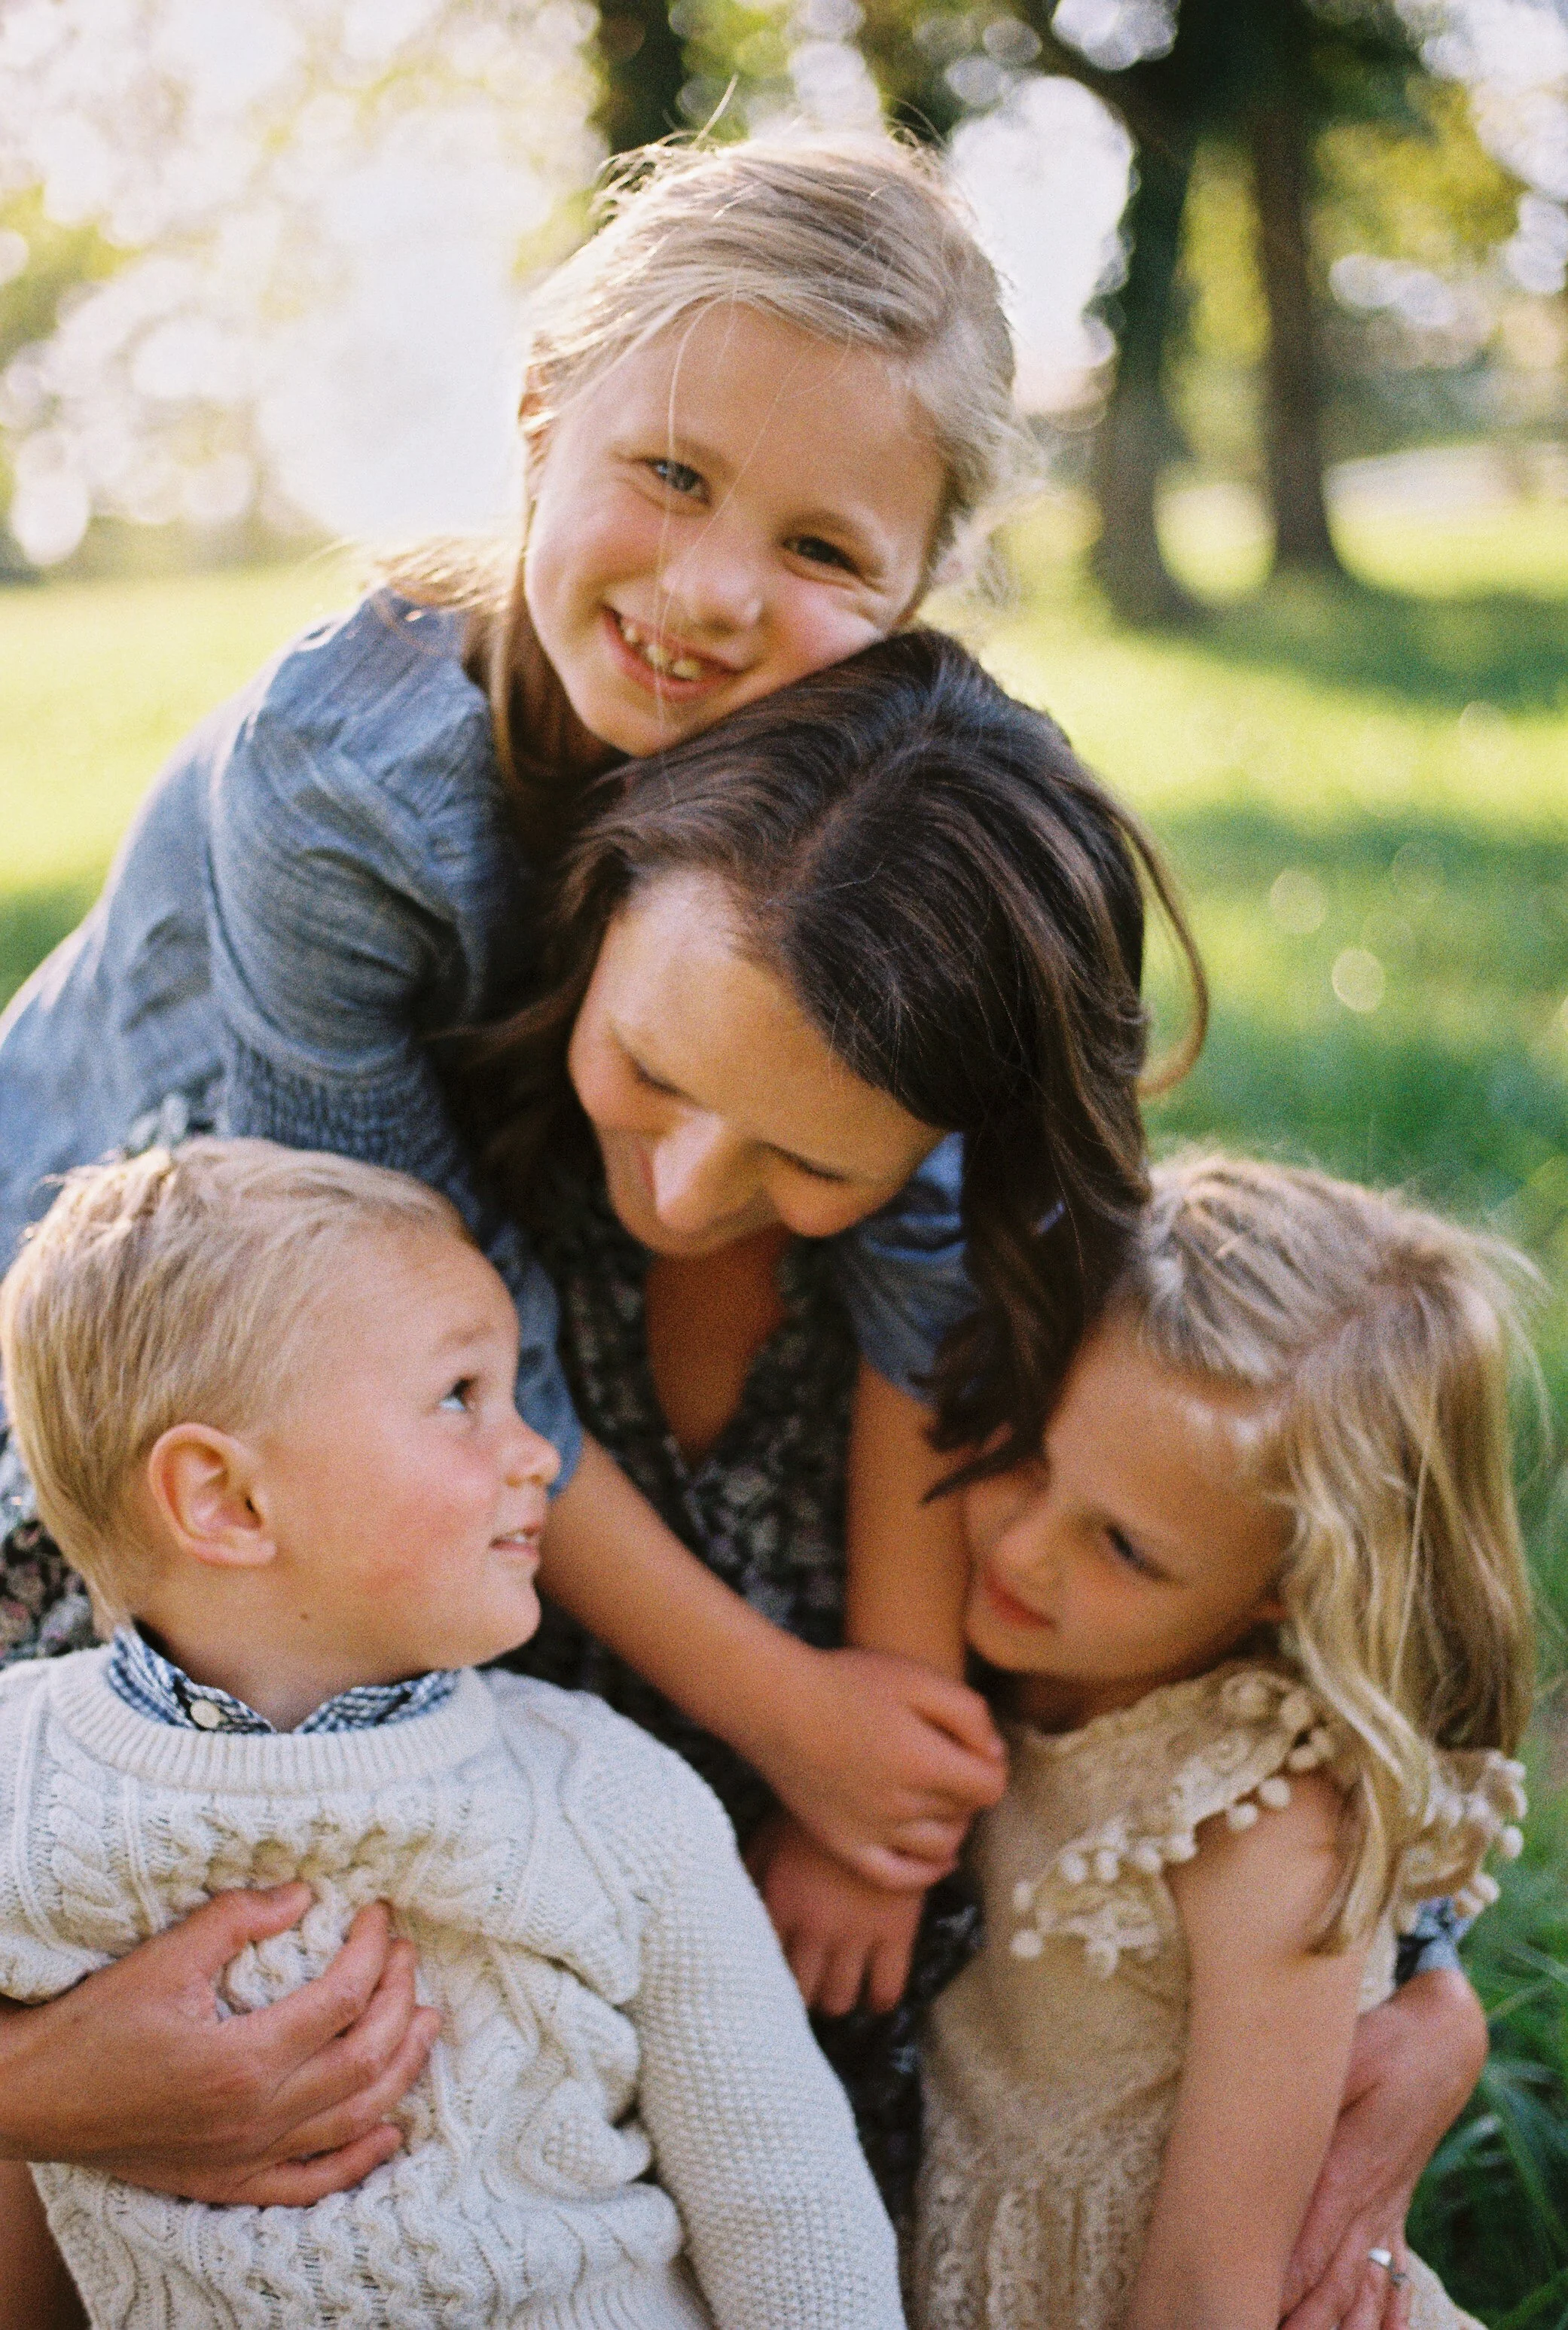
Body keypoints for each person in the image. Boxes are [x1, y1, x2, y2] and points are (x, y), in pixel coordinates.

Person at [0, 130, 1042, 2209]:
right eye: (668, 474)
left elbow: (931, 1238)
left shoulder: (878, 775)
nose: (718, 590)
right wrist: (783, 1706)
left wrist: (885, 1759)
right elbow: (403, 1312)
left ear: (920, 589)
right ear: (540, 414)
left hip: (466, 1299)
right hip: (169, 1255)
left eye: (828, 543)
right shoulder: (347, 778)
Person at [0, 1139, 907, 2330]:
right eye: (459, 1397)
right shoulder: (24, 1775)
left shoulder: (613, 1798)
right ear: (227, 1500)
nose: (537, 1451)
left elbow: (789, 2207)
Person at [912, 1153, 1536, 2330]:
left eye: (1125, 1547)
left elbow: (1211, 2291)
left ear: (1284, 1590)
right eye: (1032, 1460)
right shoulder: (1020, 1661)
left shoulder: (1261, 1820)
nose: (1024, 1549)